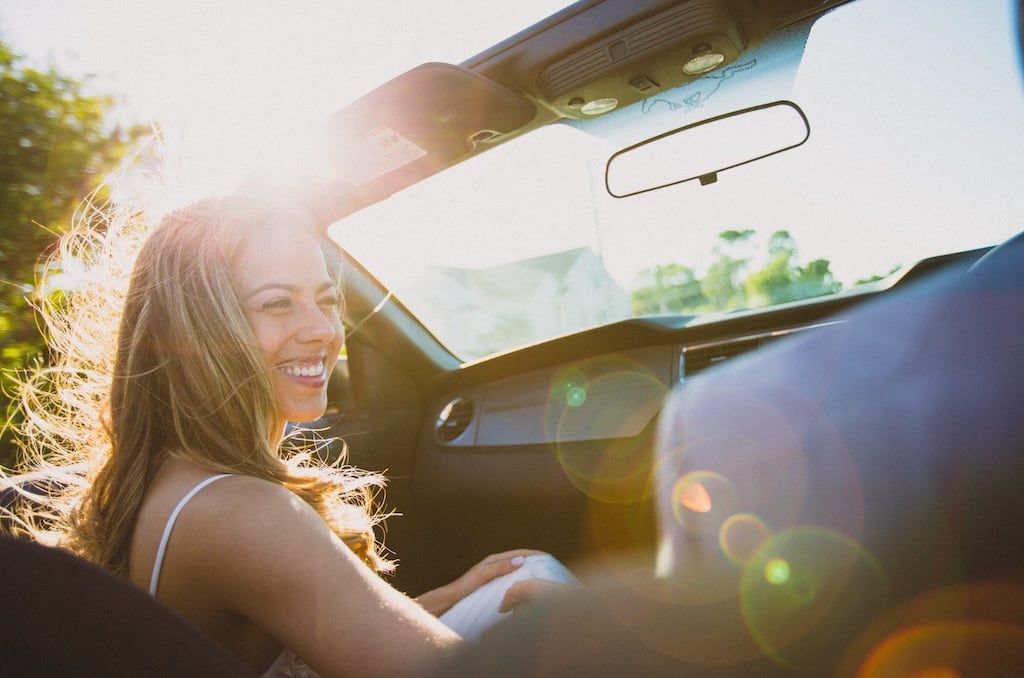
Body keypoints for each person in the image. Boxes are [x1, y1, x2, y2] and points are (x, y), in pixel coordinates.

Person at [1, 184, 557, 677]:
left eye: (327, 300)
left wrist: (445, 600)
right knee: (551, 587)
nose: (322, 331)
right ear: (198, 332)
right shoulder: (242, 511)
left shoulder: (175, 476)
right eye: (277, 304)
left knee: (519, 575)